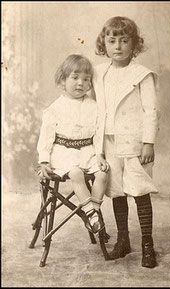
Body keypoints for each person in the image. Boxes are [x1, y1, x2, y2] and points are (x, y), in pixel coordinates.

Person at [93, 16, 160, 268]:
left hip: (133, 142)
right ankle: (123, 240)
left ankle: (147, 244)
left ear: (134, 45)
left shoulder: (142, 74)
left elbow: (150, 110)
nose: (118, 46)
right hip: (108, 142)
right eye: (112, 41)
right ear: (104, 44)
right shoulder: (99, 73)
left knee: (140, 191)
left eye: (124, 41)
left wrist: (148, 142)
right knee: (117, 192)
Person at [37, 54, 109, 234]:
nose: (80, 83)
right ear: (63, 80)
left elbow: (98, 133)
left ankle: (94, 212)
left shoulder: (94, 106)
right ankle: (91, 213)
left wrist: (99, 154)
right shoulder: (55, 108)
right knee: (76, 173)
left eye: (86, 79)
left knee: (102, 173)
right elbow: (46, 137)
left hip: (88, 151)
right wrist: (44, 161)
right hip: (63, 152)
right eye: (75, 78)